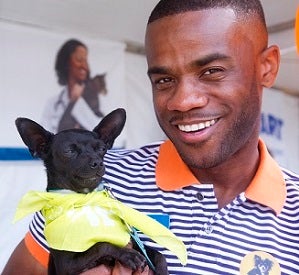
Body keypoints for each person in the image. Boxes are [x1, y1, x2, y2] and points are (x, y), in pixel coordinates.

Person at [3, 0, 299, 274]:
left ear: (267, 67)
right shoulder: (91, 181)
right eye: (164, 80)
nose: (183, 101)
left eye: (212, 71)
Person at [41, 39, 106, 133]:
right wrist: (73, 101)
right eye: (79, 60)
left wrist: (76, 101)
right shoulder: (52, 103)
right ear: (66, 63)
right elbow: (46, 139)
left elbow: (100, 131)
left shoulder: (96, 97)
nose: (84, 66)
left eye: (86, 61)